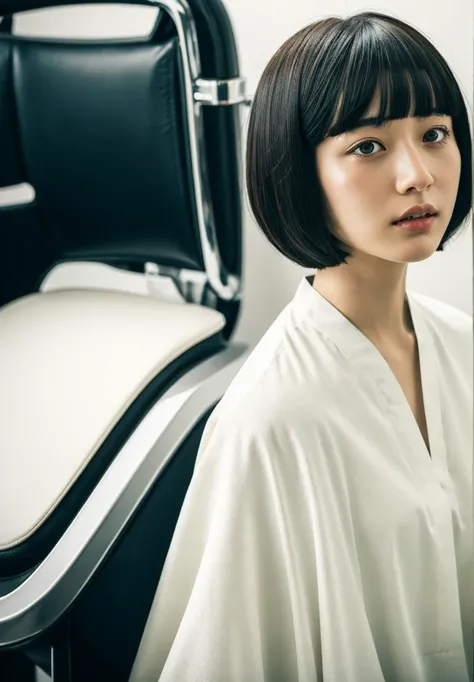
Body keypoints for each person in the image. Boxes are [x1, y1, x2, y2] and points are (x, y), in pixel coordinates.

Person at [129, 10, 473, 682]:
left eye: (434, 134)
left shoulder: (465, 349)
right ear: (299, 170)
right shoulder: (269, 419)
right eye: (369, 146)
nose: (417, 175)